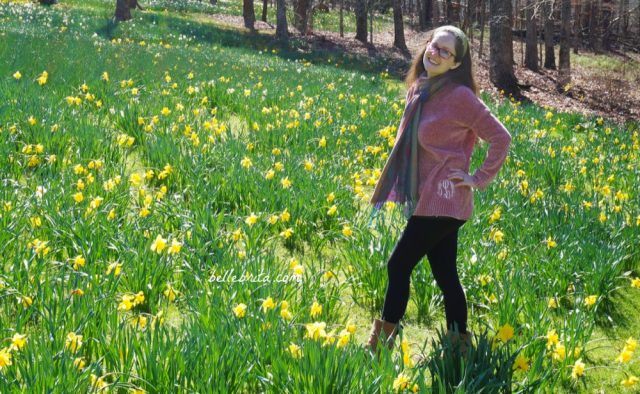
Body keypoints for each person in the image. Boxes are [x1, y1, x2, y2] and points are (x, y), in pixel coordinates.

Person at [364, 25, 512, 357]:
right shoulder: (421, 89)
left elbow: (501, 138)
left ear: (457, 64)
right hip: (431, 197)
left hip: (444, 198)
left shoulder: (461, 97)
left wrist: (477, 178)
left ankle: (379, 348)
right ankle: (459, 351)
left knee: (398, 266)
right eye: (434, 45)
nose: (436, 53)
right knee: (446, 275)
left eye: (446, 52)